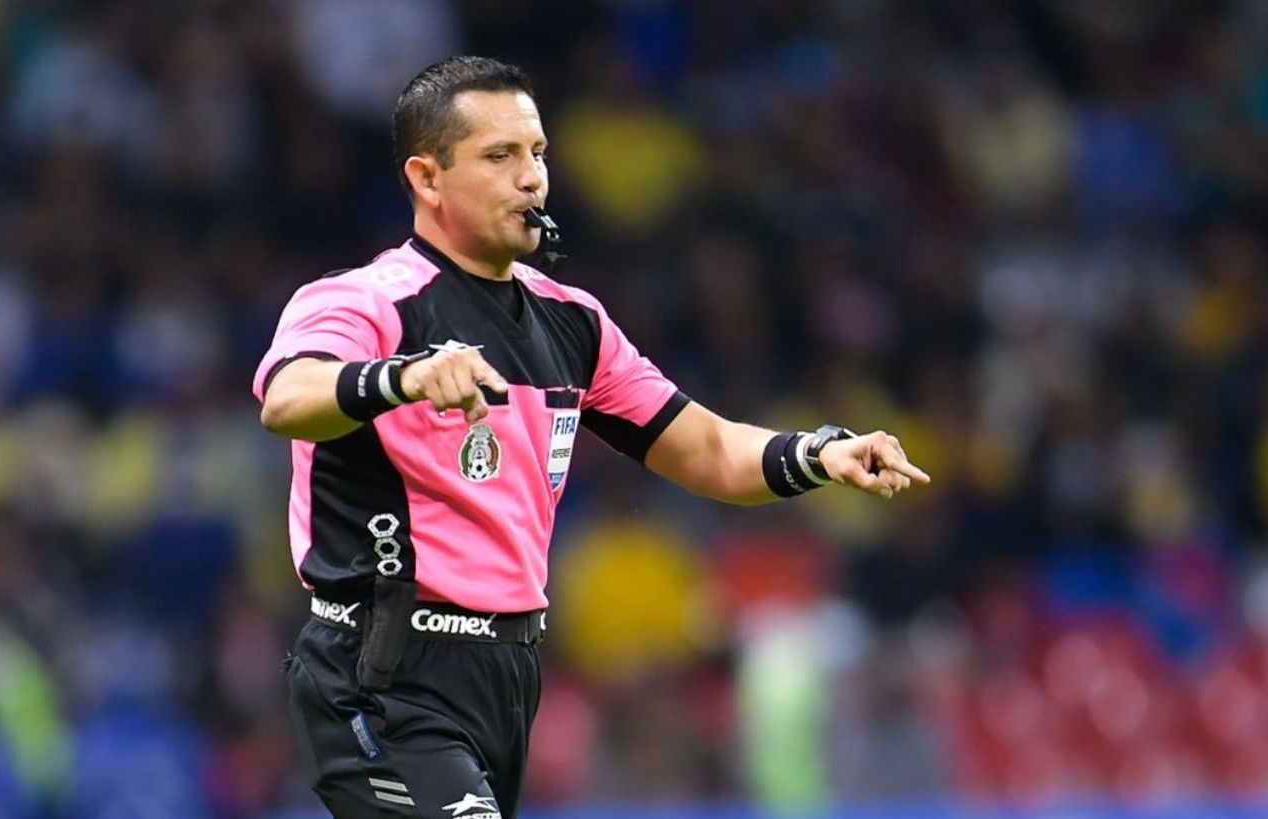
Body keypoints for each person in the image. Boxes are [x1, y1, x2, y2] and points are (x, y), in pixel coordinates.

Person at [254, 55, 930, 819]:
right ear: (427, 178)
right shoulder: (362, 302)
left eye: (537, 153)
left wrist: (819, 452)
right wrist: (400, 377)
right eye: (499, 156)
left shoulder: (573, 323)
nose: (531, 178)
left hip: (506, 675)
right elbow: (289, 398)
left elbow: (709, 451)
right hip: (379, 673)